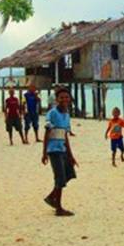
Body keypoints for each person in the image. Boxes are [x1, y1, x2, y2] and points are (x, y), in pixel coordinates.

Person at [41, 87, 78, 216]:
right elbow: (47, 133)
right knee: (60, 178)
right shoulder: (52, 113)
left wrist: (71, 155)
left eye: (66, 97)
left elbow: (65, 136)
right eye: (61, 97)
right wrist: (44, 152)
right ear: (56, 100)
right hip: (53, 150)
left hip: (62, 149)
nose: (64, 99)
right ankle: (58, 208)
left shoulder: (67, 115)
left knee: (69, 174)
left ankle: (51, 197)